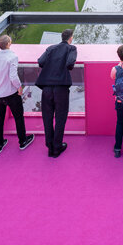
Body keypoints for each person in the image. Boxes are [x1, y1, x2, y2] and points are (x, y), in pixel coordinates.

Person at [0, 35, 35, 154]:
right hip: (11, 94)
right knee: (18, 117)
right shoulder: (12, 56)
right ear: (8, 44)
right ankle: (23, 141)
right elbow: (13, 76)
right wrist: (19, 87)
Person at [36, 28, 77, 158]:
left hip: (47, 88)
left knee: (47, 117)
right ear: (70, 38)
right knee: (60, 118)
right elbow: (70, 63)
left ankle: (50, 146)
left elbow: (40, 62)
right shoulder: (71, 48)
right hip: (61, 88)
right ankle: (57, 147)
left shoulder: (51, 48)